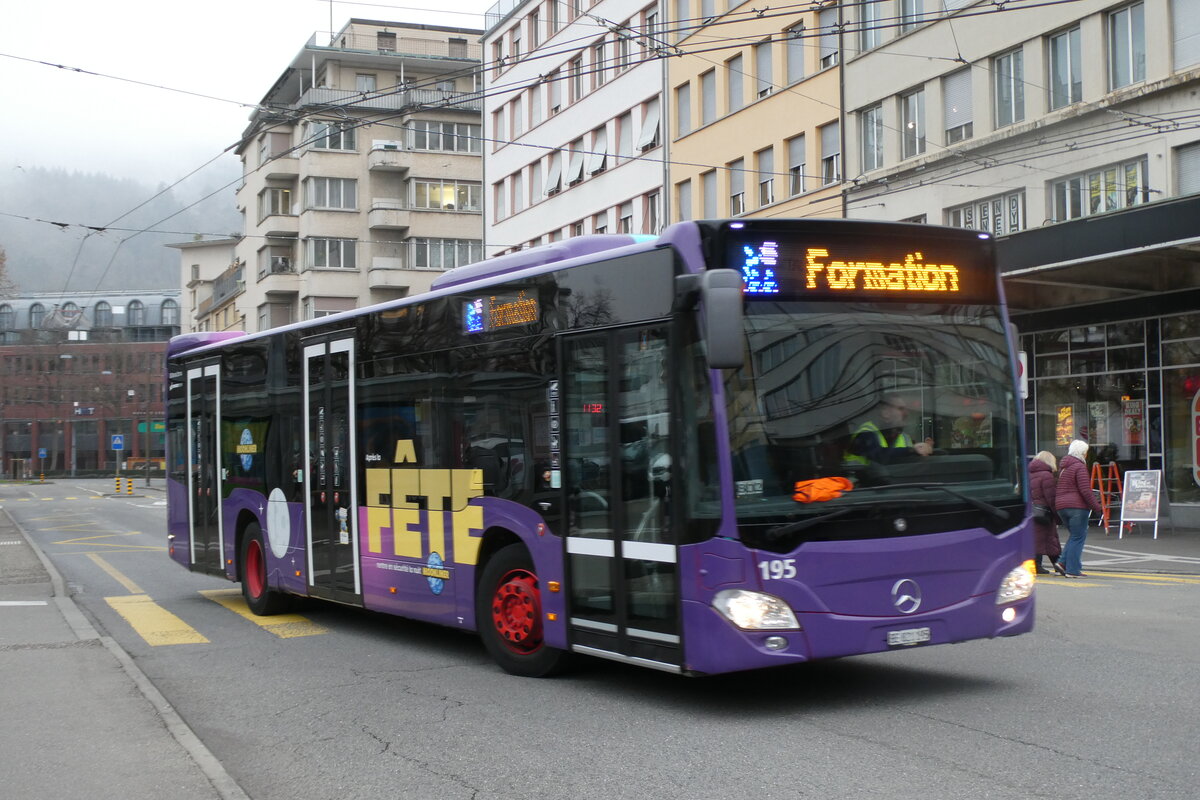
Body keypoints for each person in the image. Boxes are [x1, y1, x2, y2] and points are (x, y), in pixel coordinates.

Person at [1053, 439, 1103, 578]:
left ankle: (1062, 563)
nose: (1086, 455)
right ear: (1081, 453)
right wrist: (1097, 507)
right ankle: (1073, 570)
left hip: (1062, 507)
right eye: (1085, 452)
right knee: (1078, 537)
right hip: (1077, 508)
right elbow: (1085, 491)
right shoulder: (1079, 467)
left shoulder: (1064, 467)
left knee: (1074, 536)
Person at [843, 395, 934, 466]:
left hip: (897, 487)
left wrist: (924, 451)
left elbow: (910, 463)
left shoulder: (904, 437)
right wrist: (912, 450)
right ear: (885, 413)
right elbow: (879, 456)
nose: (906, 413)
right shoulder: (866, 434)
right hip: (859, 487)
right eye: (900, 409)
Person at [1028, 451, 1061, 574]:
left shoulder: (1029, 474)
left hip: (1033, 511)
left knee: (1038, 538)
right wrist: (1058, 515)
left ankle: (1038, 564)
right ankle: (1058, 563)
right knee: (1049, 538)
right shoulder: (1046, 475)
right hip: (1044, 512)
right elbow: (1051, 497)